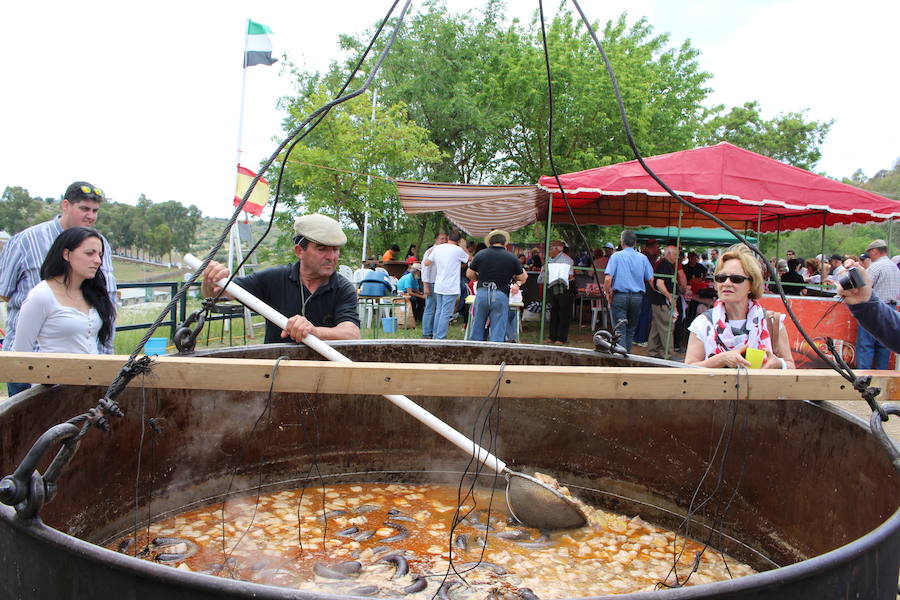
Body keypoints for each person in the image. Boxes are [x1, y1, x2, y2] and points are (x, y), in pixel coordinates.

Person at [0, 181, 116, 396]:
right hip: (33, 364)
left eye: (95, 210)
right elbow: (4, 292)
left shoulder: (101, 245)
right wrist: (51, 312)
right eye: (84, 208)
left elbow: (107, 298)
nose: (90, 216)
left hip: (87, 364)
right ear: (65, 205)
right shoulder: (26, 241)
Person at [202, 213, 360, 343]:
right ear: (299, 251)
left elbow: (352, 334)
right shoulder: (274, 278)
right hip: (276, 370)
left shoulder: (342, 288)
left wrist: (313, 331)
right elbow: (217, 293)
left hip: (325, 371)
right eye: (322, 249)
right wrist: (211, 279)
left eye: (335, 249)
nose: (331, 257)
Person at [685, 244, 794, 369]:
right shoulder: (703, 324)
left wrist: (779, 364)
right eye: (721, 278)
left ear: (752, 284)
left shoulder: (772, 322)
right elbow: (688, 370)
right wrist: (721, 359)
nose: (726, 283)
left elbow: (791, 366)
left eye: (736, 279)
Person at [12, 227, 116, 357]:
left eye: (100, 255)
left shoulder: (92, 293)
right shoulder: (41, 295)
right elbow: (20, 354)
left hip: (91, 374)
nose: (98, 261)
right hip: (53, 374)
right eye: (90, 253)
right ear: (66, 254)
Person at [466, 230, 527, 342]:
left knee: (478, 325)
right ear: (505, 243)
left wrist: (478, 278)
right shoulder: (511, 257)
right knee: (498, 328)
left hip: (483, 292)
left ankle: (474, 352)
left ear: (489, 243)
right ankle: (495, 354)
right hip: (500, 294)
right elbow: (523, 277)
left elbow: (469, 274)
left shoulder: (480, 254)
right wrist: (517, 283)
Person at [604, 230, 653, 353]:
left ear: (622, 242)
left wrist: (607, 292)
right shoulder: (643, 258)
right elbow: (650, 278)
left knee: (620, 328)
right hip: (637, 297)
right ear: (635, 243)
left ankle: (622, 355)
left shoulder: (616, 256)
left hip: (620, 296)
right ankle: (627, 354)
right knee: (631, 328)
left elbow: (608, 278)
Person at [855, 239, 900, 369]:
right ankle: (882, 378)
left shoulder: (875, 267)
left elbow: (862, 286)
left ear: (875, 251)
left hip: (873, 309)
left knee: (866, 345)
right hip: (891, 308)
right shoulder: (895, 267)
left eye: (870, 253)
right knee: (884, 346)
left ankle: (864, 377)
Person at [837, 265, 900, 355]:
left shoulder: (877, 267)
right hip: (881, 308)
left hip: (884, 307)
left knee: (866, 347)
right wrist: (865, 303)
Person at [422, 230, 469, 340]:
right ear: (459, 241)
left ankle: (435, 335)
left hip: (439, 284)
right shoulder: (458, 250)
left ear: (448, 238)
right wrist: (464, 247)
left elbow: (426, 263)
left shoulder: (437, 248)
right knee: (446, 313)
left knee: (439, 310)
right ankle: (440, 337)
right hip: (450, 286)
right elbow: (470, 259)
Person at [538, 239, 575, 345]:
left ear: (557, 249)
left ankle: (561, 338)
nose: (548, 251)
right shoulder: (550, 259)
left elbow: (571, 275)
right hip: (554, 286)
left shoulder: (566, 259)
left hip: (564, 287)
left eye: (550, 248)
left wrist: (558, 276)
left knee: (563, 313)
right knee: (554, 311)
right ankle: (552, 336)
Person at [646, 245, 678, 360]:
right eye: (675, 254)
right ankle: (668, 354)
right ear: (668, 253)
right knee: (667, 327)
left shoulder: (666, 264)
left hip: (659, 301)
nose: (677, 257)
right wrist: (669, 297)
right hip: (661, 302)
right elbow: (659, 283)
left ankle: (653, 351)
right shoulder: (664, 264)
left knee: (656, 327)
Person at [419, 232, 447, 339]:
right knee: (430, 307)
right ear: (436, 240)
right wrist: (425, 285)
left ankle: (433, 331)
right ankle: (426, 332)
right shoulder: (431, 251)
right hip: (431, 282)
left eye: (445, 239)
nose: (443, 241)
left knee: (438, 308)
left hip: (440, 283)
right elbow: (425, 268)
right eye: (441, 239)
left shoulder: (443, 252)